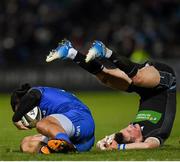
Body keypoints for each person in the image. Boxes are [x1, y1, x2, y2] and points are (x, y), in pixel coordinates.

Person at [46, 39, 176, 151]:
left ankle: (71, 52)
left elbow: (112, 139)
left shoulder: (133, 133)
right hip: (164, 83)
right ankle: (106, 51)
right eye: (129, 132)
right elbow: (149, 146)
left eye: (126, 130)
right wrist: (120, 148)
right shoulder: (156, 134)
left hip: (143, 89)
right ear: (138, 141)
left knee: (105, 78)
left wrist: (106, 142)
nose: (129, 127)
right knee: (138, 78)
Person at [10, 84, 95, 154]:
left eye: (22, 111)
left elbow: (33, 95)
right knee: (26, 143)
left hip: (80, 118)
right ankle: (56, 149)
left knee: (42, 124)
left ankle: (63, 142)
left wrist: (16, 118)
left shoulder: (36, 92)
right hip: (83, 142)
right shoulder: (47, 104)